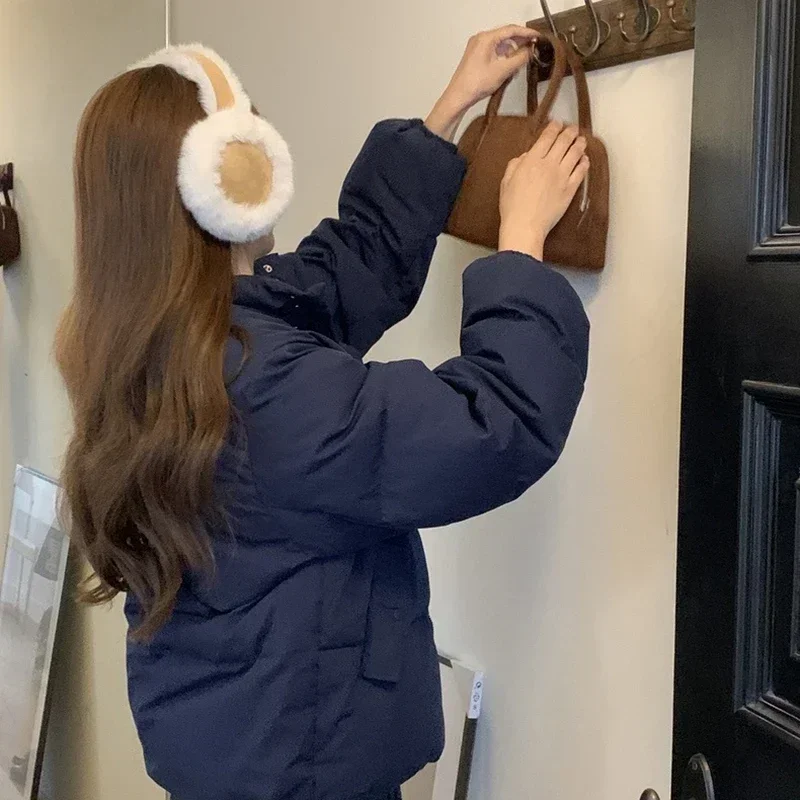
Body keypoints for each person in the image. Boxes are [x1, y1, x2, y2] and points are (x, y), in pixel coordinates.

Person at [55, 26, 590, 800]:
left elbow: (332, 282)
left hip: (245, 758)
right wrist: (520, 243)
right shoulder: (262, 388)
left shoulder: (156, 349)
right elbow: (491, 422)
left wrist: (449, 112)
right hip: (306, 775)